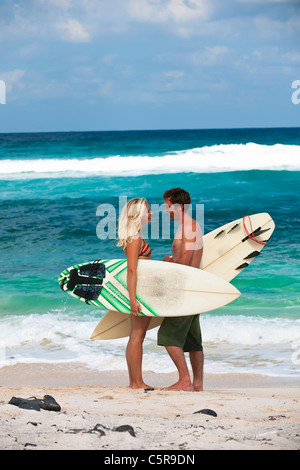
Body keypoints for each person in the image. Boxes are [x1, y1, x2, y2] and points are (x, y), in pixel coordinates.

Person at [158, 188, 204, 391]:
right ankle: (198, 385)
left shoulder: (186, 228)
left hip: (184, 288)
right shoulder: (192, 226)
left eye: (167, 206)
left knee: (167, 335)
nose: (166, 210)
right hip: (195, 287)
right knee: (193, 341)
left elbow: (183, 263)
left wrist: (168, 261)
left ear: (179, 206)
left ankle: (184, 381)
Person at [117, 197, 153, 389]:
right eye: (148, 210)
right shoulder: (135, 239)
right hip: (139, 292)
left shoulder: (134, 236)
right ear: (139, 214)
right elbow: (132, 270)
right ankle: (137, 382)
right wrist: (133, 299)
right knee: (137, 336)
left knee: (135, 335)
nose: (151, 214)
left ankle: (134, 382)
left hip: (139, 291)